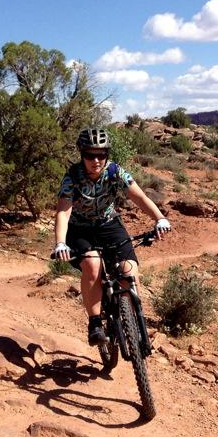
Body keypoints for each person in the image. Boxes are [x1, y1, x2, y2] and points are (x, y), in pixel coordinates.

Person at [53, 127, 171, 345]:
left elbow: (140, 197)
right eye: (90, 155)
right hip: (80, 228)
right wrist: (60, 242)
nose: (96, 160)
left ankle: (127, 316)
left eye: (101, 154)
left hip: (109, 224)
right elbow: (63, 211)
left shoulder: (115, 172)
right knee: (92, 265)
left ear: (107, 154)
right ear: (82, 154)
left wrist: (159, 218)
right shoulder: (72, 178)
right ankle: (95, 322)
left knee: (129, 271)